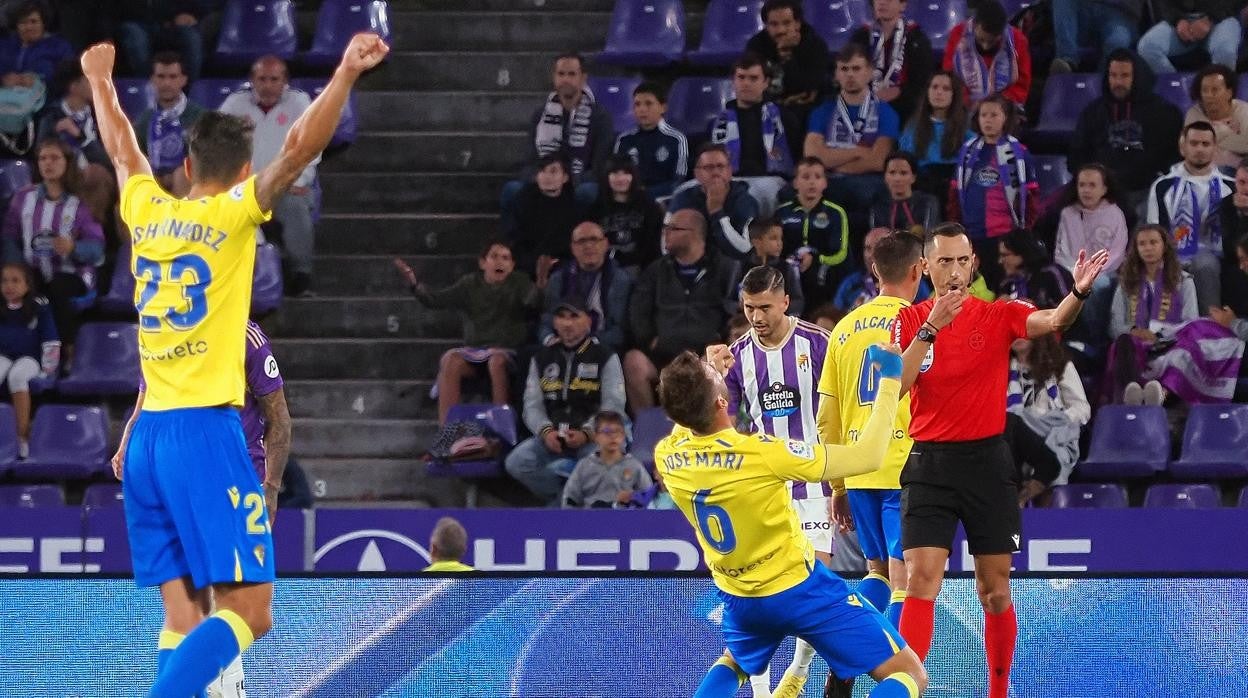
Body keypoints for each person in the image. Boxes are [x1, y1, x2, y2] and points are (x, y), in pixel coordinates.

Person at [89, 30, 387, 696]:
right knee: (251, 611)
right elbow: (303, 147)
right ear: (243, 171)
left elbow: (121, 149)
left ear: (187, 169)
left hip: (146, 440)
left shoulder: (146, 209)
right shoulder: (232, 216)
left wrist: (103, 84)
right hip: (202, 432)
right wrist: (342, 72)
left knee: (184, 613)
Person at [893, 223, 1108, 698]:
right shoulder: (909, 323)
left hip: (987, 466)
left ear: (974, 265)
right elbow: (899, 384)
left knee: (995, 591)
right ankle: (906, 689)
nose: (953, 271)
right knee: (920, 580)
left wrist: (1078, 291)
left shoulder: (999, 315)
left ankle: (998, 691)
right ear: (925, 268)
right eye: (943, 261)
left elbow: (1054, 321)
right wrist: (932, 329)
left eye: (961, 261)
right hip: (929, 465)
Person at [654, 350, 927, 698]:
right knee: (909, 673)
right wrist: (889, 380)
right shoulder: (762, 453)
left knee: (735, 660)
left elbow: (686, 417)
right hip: (800, 590)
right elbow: (868, 455)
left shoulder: (668, 455)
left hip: (740, 597)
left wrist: (704, 379)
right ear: (722, 402)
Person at [115, 318, 292, 696]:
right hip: (186, 471)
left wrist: (270, 488)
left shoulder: (245, 338)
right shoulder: (169, 327)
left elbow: (279, 417)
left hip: (233, 477)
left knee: (198, 605)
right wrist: (126, 439)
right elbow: (148, 393)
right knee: (228, 604)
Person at [704, 265, 833, 697]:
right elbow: (721, 423)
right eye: (748, 307)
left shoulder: (818, 344)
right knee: (759, 592)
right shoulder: (738, 354)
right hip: (763, 487)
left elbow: (839, 409)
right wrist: (713, 377)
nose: (756, 317)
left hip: (814, 481)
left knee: (813, 585)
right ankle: (762, 693)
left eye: (763, 308)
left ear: (784, 302)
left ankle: (797, 671)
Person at [820, 231, 925, 698]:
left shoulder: (843, 328)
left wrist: (838, 485)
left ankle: (842, 663)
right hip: (906, 464)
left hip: (859, 469)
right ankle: (897, 678)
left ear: (875, 272)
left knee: (877, 573)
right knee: (904, 579)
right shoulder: (921, 322)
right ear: (918, 270)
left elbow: (828, 416)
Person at [395, 239, 541, 425]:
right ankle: (447, 435)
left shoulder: (519, 281)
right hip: (476, 352)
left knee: (496, 361)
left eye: (505, 258)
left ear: (512, 265)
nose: (499, 262)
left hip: (507, 351)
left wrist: (541, 281)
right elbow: (436, 300)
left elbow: (534, 302)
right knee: (450, 359)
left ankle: (502, 432)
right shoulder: (469, 284)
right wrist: (414, 284)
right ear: (482, 262)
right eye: (494, 257)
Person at [506, 296, 625, 504]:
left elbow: (613, 405)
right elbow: (531, 406)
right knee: (516, 462)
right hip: (553, 437)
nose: (567, 323)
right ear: (554, 322)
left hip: (593, 438)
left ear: (588, 321)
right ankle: (566, 496)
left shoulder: (605, 356)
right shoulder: (541, 358)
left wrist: (587, 433)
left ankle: (562, 505)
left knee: (602, 460)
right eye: (561, 317)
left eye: (574, 316)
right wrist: (546, 432)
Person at [1107, 224, 1243, 405]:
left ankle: (1160, 395)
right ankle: (1130, 397)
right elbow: (1114, 325)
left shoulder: (1183, 281)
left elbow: (1190, 321)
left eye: (1153, 242)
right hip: (1137, 343)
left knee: (1183, 352)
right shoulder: (1126, 283)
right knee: (1122, 344)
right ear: (1136, 249)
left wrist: (1160, 334)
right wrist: (1133, 330)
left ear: (1164, 246)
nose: (1148, 248)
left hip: (1171, 342)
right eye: (1142, 244)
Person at [219, 56, 320, 298]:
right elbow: (215, 142)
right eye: (261, 79)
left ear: (285, 81)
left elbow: (311, 146)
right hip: (243, 187)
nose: (267, 85)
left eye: (274, 79)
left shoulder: (300, 103)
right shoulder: (234, 105)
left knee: (295, 207)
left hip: (284, 186)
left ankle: (301, 276)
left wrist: (297, 180)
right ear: (252, 80)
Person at [624, 209, 739, 413]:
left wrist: (718, 341)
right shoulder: (656, 270)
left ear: (694, 233)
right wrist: (650, 339)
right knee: (634, 362)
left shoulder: (725, 267)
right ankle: (648, 431)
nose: (666, 233)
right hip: (663, 355)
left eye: (673, 229)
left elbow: (734, 310)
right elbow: (638, 310)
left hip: (706, 354)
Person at [2, 137, 104, 348]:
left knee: (59, 288)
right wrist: (18, 271)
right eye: (43, 158)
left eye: (55, 158)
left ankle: (67, 352)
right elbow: (9, 237)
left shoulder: (80, 203)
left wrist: (74, 247)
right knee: (16, 287)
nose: (48, 163)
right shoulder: (23, 198)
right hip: (32, 272)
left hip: (71, 275)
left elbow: (96, 249)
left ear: (67, 162)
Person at [1068, 49, 1183, 213]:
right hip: (1104, 193)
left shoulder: (1164, 112)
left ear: (1137, 76)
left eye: (1124, 76)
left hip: (1147, 191)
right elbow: (1077, 154)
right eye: (1113, 75)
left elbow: (1174, 156)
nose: (1118, 82)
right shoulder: (1093, 112)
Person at [1147, 121, 1235, 315]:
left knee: (1205, 264)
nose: (1199, 149)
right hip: (1172, 253)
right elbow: (1154, 229)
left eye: (1205, 144)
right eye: (1194, 143)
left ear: (1215, 148)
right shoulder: (1163, 186)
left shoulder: (1231, 187)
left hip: (1217, 256)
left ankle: (1209, 328)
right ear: (1182, 147)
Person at [951, 94, 1038, 287]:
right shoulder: (967, 151)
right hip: (972, 234)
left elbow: (1031, 196)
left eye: (994, 115)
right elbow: (955, 193)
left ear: (1005, 118)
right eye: (984, 115)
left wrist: (1024, 231)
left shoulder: (1020, 153)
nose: (988, 120)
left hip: (1004, 236)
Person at [805, 43, 899, 218]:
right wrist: (859, 152)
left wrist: (833, 162)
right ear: (836, 73)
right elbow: (813, 157)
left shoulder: (885, 112)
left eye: (856, 68)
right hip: (828, 180)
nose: (850, 74)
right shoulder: (822, 110)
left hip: (867, 180)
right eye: (844, 69)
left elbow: (878, 161)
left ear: (870, 72)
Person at [709, 53, 797, 219]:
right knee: (685, 193)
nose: (746, 83)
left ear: (765, 83)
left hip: (769, 180)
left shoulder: (784, 118)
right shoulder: (718, 123)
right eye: (741, 77)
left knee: (750, 196)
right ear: (733, 82)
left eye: (753, 78)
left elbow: (799, 156)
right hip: (729, 179)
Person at [1005, 334, 1090, 507]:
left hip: (1053, 432)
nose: (1018, 336)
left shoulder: (1059, 364)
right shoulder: (998, 369)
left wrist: (1057, 420)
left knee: (1053, 457)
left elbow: (1082, 409)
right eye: (1012, 331)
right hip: (1015, 438)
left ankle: (1045, 522)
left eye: (1024, 330)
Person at [1054, 163, 1130, 340]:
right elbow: (1061, 251)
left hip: (1105, 273)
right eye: (1082, 185)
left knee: (1098, 284)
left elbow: (1118, 251)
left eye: (1092, 185)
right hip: (1072, 271)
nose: (1086, 190)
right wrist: (1078, 273)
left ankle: (1095, 338)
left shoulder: (1115, 213)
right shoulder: (1068, 213)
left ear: (1104, 189)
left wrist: (1093, 274)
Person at [36, 61, 117, 228]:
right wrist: (53, 135)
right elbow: (41, 155)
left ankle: (88, 235)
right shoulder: (51, 117)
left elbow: (108, 160)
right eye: (89, 81)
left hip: (96, 173)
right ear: (74, 86)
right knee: (95, 175)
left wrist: (80, 137)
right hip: (64, 173)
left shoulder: (102, 115)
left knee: (97, 174)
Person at [538, 221, 632, 353]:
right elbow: (547, 320)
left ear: (606, 244)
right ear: (573, 248)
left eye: (594, 239)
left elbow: (620, 330)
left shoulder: (621, 280)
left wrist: (587, 344)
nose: (588, 245)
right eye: (581, 241)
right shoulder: (558, 278)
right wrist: (550, 339)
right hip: (561, 346)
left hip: (603, 348)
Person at [526, 52, 613, 193]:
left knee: (587, 192)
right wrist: (542, 178)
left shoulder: (600, 117)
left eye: (572, 74)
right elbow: (530, 161)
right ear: (554, 78)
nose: (565, 79)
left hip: (581, 182)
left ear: (583, 78)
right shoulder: (540, 115)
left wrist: (567, 181)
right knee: (512, 190)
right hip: (546, 180)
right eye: (561, 74)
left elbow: (599, 166)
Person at [775, 157, 852, 310]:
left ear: (825, 183)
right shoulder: (782, 212)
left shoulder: (835, 212)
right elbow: (775, 248)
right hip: (789, 274)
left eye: (817, 177)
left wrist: (816, 259)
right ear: (795, 182)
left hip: (824, 275)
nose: (812, 182)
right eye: (805, 177)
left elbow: (841, 253)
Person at [0, 262, 56, 459]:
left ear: (27, 285)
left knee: (17, 376)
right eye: (5, 281)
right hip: (4, 357)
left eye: (15, 281)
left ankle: (21, 437)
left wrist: (49, 370)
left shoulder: (39, 306)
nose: (9, 286)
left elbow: (50, 339)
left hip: (30, 359)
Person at [669, 144, 760, 261]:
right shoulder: (683, 199)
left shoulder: (744, 201)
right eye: (709, 167)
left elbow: (744, 250)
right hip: (692, 264)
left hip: (731, 268)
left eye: (721, 166)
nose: (716, 172)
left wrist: (717, 212)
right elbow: (668, 244)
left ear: (730, 171)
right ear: (697, 174)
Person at [848, 0, 934, 122]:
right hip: (864, 105)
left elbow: (922, 81)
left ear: (903, 5)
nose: (882, 3)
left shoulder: (916, 39)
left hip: (904, 109)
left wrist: (898, 91)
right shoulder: (861, 37)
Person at [134, 51, 205, 197]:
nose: (167, 83)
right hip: (153, 178)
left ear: (184, 80)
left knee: (182, 174)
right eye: (161, 77)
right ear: (152, 79)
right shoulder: (144, 120)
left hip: (189, 181)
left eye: (173, 77)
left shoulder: (201, 117)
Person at [898, 71, 972, 208]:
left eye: (946, 89)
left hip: (955, 186)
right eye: (934, 87)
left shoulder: (966, 129)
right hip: (922, 185)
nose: (939, 92)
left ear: (954, 95)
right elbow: (905, 161)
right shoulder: (912, 127)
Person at [745, 0, 830, 120]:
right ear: (766, 26)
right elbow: (752, 88)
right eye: (774, 24)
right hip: (767, 112)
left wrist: (786, 56)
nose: (781, 30)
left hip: (806, 113)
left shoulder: (815, 46)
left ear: (798, 23)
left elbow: (808, 88)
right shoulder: (756, 46)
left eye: (786, 23)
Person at [942, 1, 1030, 110]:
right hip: (964, 106)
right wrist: (968, 101)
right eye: (981, 39)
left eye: (992, 41)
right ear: (974, 25)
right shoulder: (957, 34)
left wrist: (996, 103)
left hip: (1002, 109)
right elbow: (949, 75)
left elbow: (1021, 86)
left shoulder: (1018, 41)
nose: (985, 46)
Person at [584, 154, 663, 273]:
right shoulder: (595, 210)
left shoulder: (649, 206)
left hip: (641, 268)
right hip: (605, 269)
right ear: (607, 177)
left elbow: (653, 247)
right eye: (615, 173)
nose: (620, 179)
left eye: (626, 173)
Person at [507, 153, 580, 281]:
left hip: (561, 266)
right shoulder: (523, 201)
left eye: (553, 171)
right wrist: (535, 263)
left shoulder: (574, 207)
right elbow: (515, 239)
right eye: (542, 171)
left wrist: (553, 263)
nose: (547, 177)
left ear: (565, 177)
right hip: (527, 264)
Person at [561, 411, 652, 509]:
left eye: (617, 431)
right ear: (596, 436)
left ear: (623, 435)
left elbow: (649, 499)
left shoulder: (634, 466)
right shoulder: (584, 466)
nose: (613, 436)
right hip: (591, 520)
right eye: (607, 431)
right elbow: (570, 499)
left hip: (624, 519)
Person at [612, 81, 688, 198]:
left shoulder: (677, 139)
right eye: (637, 104)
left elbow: (678, 181)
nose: (642, 109)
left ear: (663, 108)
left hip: (661, 201)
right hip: (628, 199)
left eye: (648, 104)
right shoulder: (624, 139)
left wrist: (646, 194)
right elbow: (615, 175)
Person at [1137, 0, 1241, 75]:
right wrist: (1177, 20)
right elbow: (1163, 4)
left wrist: (1209, 19)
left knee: (1225, 51)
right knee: (1148, 47)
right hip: (1182, 18)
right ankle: (1176, 89)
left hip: (1220, 19)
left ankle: (1219, 95)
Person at [115, 0, 205, 81]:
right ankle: (149, 89)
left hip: (169, 23)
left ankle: (187, 91)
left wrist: (186, 13)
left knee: (191, 37)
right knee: (136, 37)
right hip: (134, 22)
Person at [1184, 63, 1248, 171]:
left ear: (1229, 92)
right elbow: (1193, 148)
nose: (1208, 95)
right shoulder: (1194, 114)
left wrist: (1213, 137)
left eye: (1214, 90)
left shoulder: (1244, 110)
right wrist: (1227, 131)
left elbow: (1246, 145)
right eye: (1204, 90)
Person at [1048, 0, 1141, 74]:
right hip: (1083, 10)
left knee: (1118, 40)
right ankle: (1067, 61)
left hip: (1120, 13)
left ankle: (1102, 84)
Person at [737, 220, 804, 317]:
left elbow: (798, 301)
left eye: (781, 239)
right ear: (757, 242)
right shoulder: (742, 266)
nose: (779, 243)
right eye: (773, 238)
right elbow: (728, 299)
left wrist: (778, 309)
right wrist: (740, 306)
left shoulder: (787, 268)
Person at [0, 2, 72, 90]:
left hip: (47, 100)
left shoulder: (59, 46)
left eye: (34, 22)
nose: (29, 27)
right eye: (23, 22)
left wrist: (38, 80)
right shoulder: (4, 44)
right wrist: (2, 80)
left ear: (43, 23)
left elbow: (70, 80)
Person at [997, 229, 1074, 310]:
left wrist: (1035, 309)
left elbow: (1071, 310)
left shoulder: (1052, 274)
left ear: (1023, 252)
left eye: (1004, 255)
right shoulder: (1007, 283)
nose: (1000, 261)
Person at [869, 151, 938, 237]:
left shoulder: (927, 202)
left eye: (903, 173)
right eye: (892, 172)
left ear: (913, 178)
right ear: (885, 177)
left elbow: (929, 237)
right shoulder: (879, 206)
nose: (897, 179)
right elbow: (876, 239)